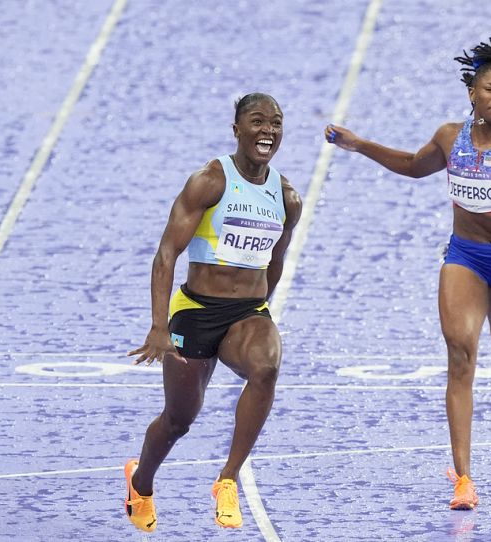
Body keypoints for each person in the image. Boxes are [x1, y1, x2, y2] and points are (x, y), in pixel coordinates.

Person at [325, 38, 491, 510]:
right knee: (460, 355)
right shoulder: (448, 138)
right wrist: (359, 145)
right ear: (472, 92)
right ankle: (464, 478)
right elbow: (411, 166)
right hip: (466, 258)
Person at [125, 93, 302, 531]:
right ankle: (141, 483)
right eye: (257, 121)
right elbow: (167, 253)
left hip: (248, 313)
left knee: (266, 368)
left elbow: (276, 260)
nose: (268, 130)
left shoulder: (287, 199)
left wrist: (261, 311)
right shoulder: (209, 182)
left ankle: (227, 479)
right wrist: (159, 325)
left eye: (276, 123)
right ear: (237, 129)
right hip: (196, 312)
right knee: (178, 420)